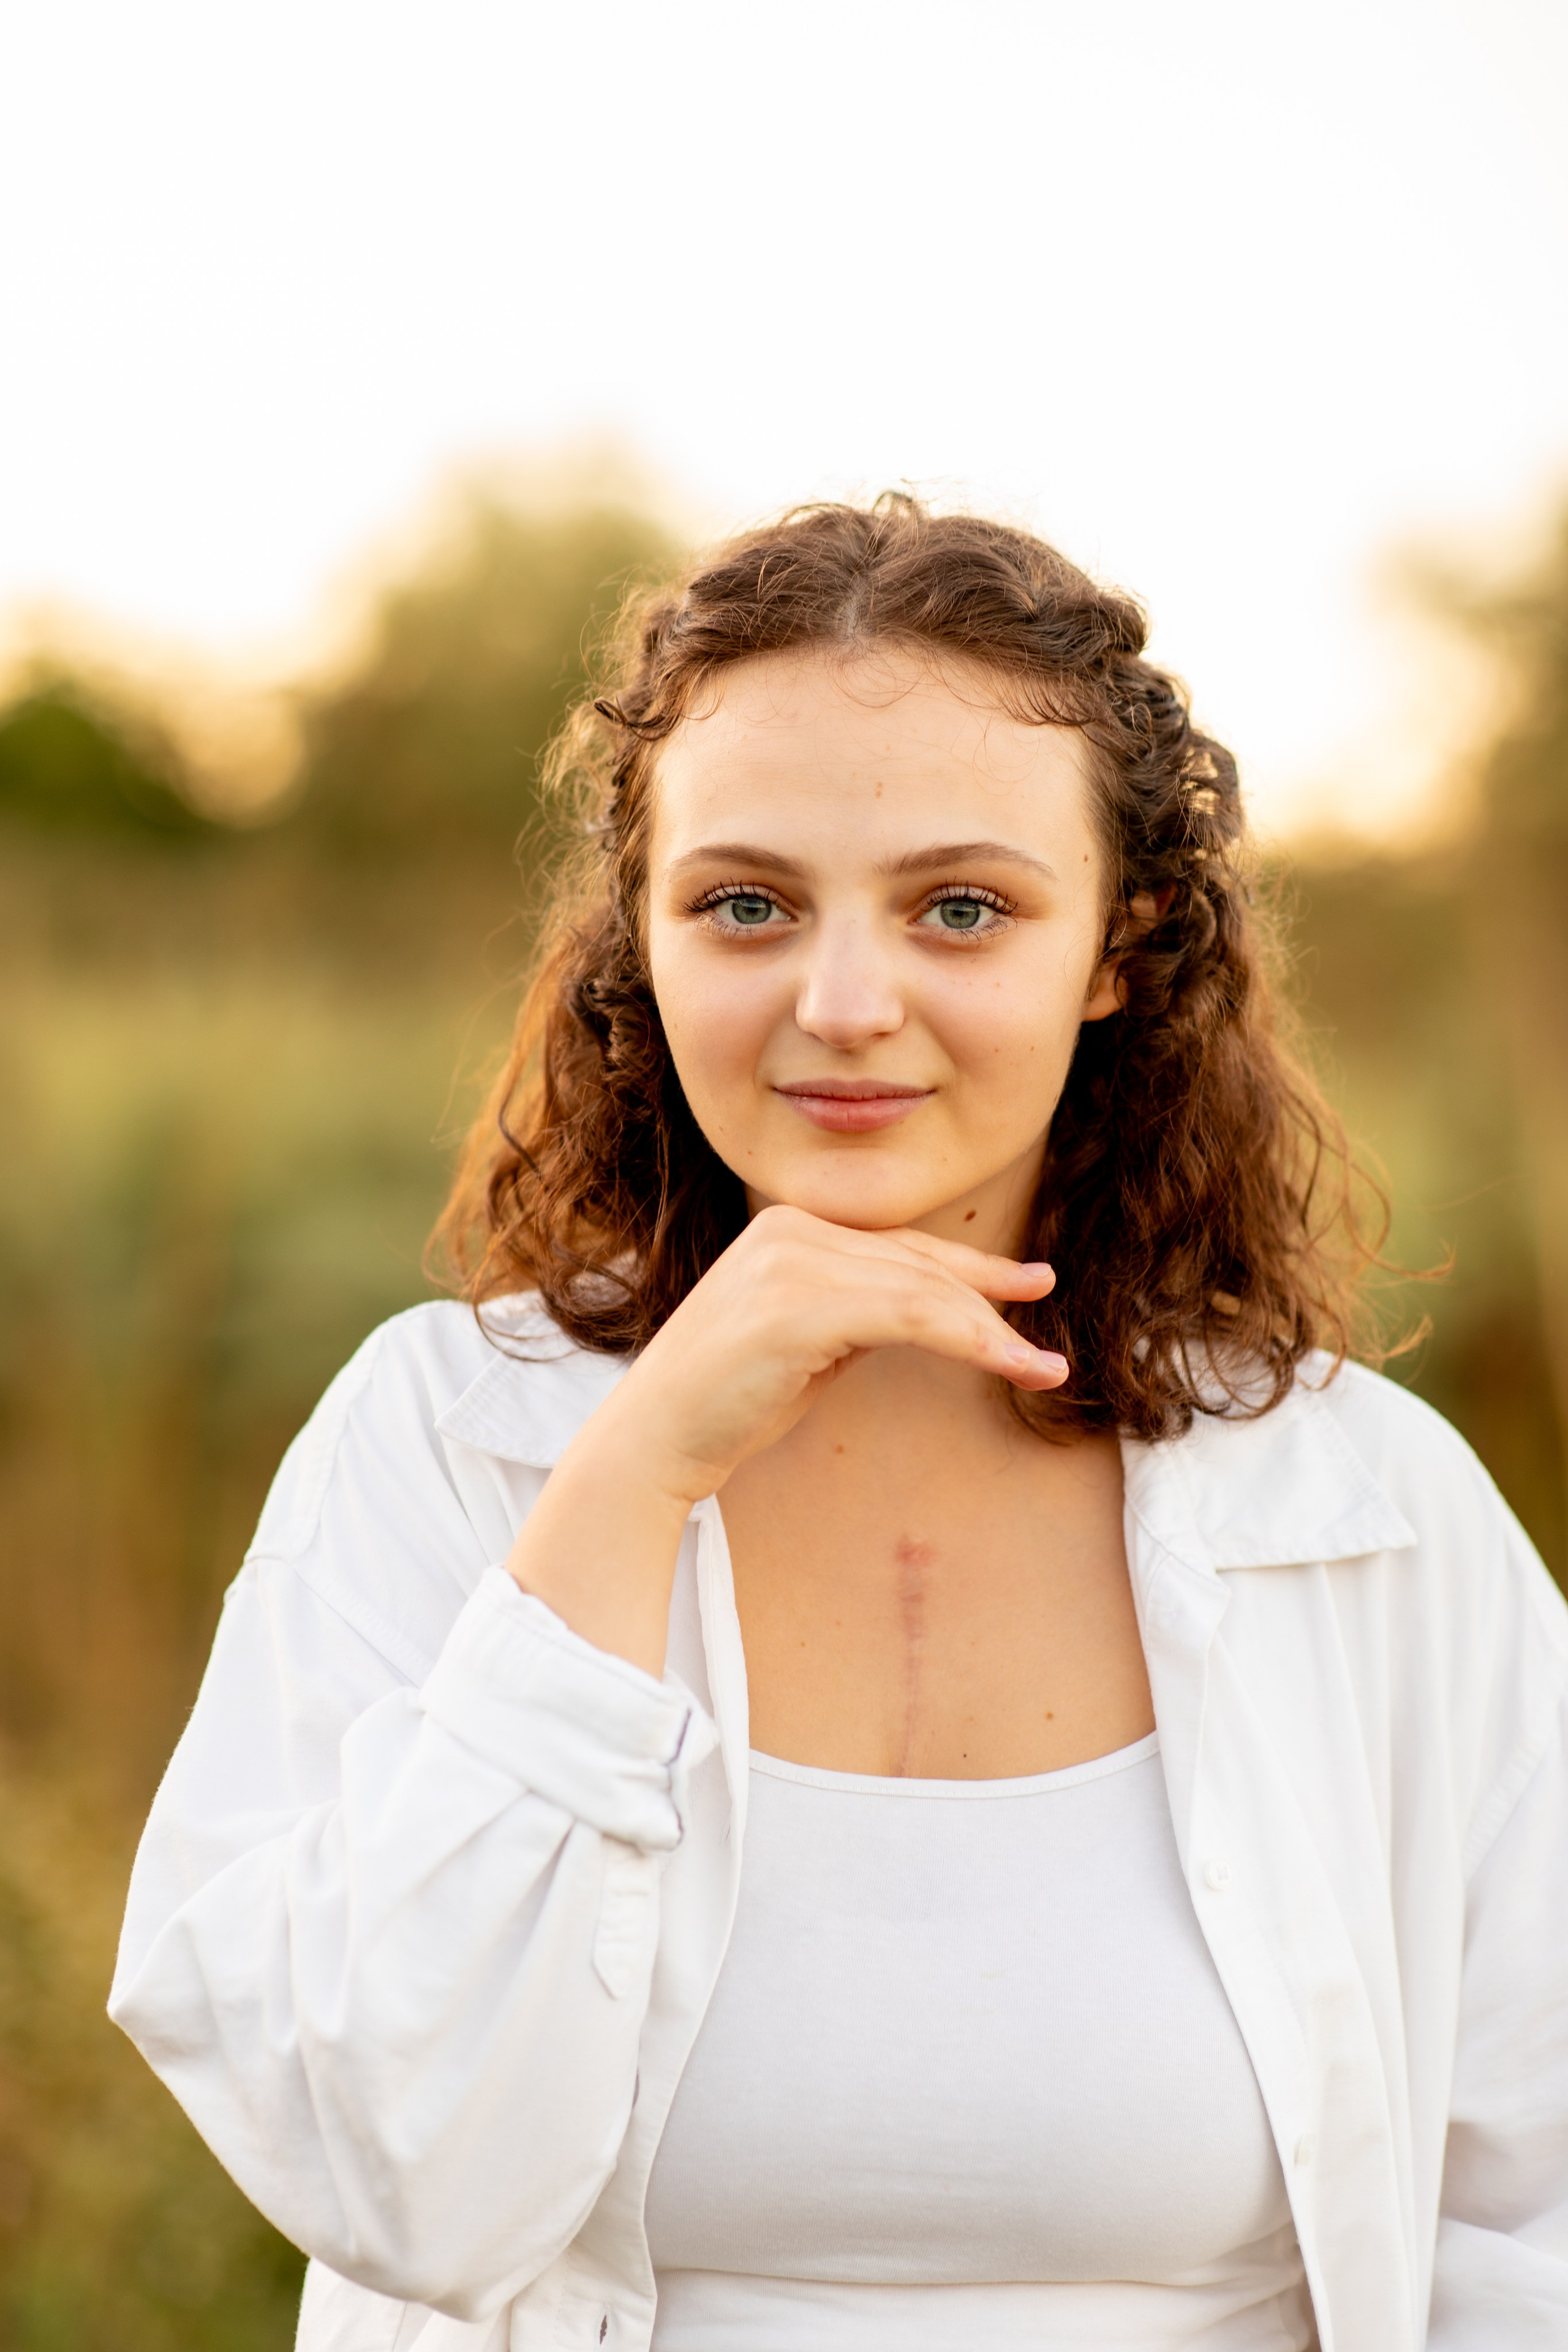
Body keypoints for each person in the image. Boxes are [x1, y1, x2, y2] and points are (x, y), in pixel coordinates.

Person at [111, 499, 1568, 2352]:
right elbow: (385, 2172)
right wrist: (634, 1475)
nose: (846, 1005)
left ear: (1118, 949)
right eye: (747, 904)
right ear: (642, 944)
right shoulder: (440, 1444)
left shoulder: (1370, 1515)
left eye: (962, 906)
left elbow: (1534, 2234)